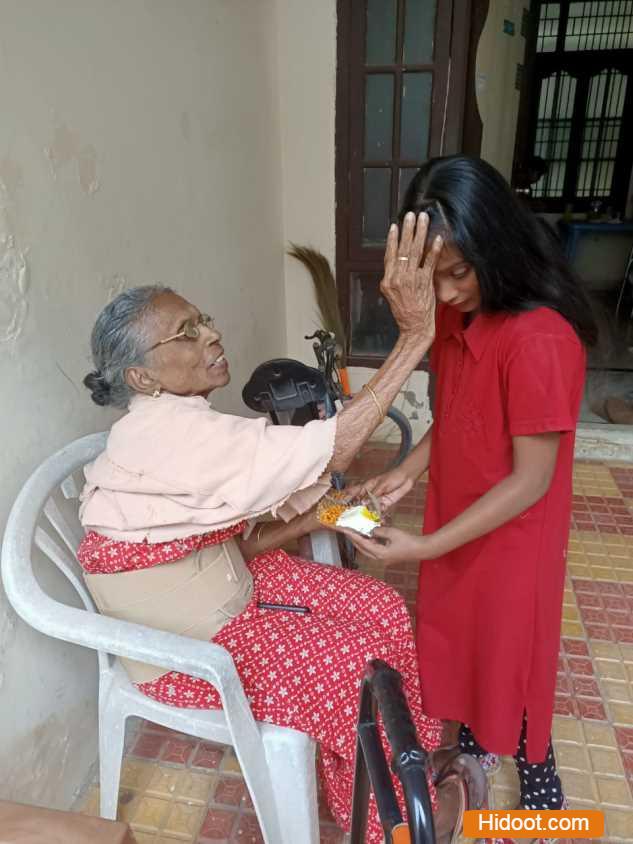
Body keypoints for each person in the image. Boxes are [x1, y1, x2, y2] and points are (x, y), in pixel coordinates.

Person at [76, 215, 468, 842]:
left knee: (381, 608)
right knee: (349, 666)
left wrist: (343, 511)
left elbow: (245, 533)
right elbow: (335, 448)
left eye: (203, 320)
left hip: (227, 582)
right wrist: (417, 335)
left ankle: (407, 766)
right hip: (185, 649)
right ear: (142, 378)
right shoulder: (173, 434)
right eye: (187, 332)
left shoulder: (185, 424)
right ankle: (393, 821)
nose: (211, 334)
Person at [342, 155, 598, 817]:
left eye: (458, 272)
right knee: (464, 642)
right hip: (458, 515)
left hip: (513, 535)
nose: (447, 292)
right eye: (433, 276)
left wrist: (424, 547)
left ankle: (539, 775)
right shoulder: (458, 319)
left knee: (511, 651)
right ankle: (480, 742)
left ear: (496, 245)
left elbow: (531, 479)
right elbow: (459, 413)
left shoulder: (539, 340)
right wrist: (406, 470)